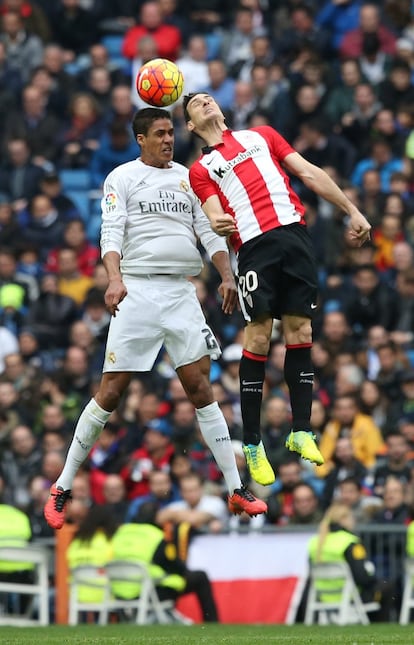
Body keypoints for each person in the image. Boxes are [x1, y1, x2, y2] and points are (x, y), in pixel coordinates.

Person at [44, 107, 267, 530]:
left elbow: (207, 231)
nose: (169, 139)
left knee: (200, 386)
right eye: (160, 134)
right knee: (110, 392)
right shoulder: (122, 178)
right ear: (141, 139)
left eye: (170, 133)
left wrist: (226, 274)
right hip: (137, 287)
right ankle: (62, 485)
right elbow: (111, 231)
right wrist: (113, 279)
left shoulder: (189, 177)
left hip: (181, 291)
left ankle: (236, 488)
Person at [182, 92, 371, 487]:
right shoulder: (202, 168)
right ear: (190, 126)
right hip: (254, 246)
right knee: (259, 335)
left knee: (301, 331)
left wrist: (351, 210)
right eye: (195, 104)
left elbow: (309, 172)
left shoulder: (261, 136)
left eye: (208, 98)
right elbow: (213, 210)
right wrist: (218, 223)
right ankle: (252, 442)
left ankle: (301, 430)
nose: (204, 102)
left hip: (295, 236)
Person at [307, 502, 395, 622]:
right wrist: (373, 579)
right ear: (343, 519)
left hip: (323, 596)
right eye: (351, 517)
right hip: (349, 596)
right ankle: (378, 627)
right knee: (386, 587)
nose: (354, 521)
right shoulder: (350, 542)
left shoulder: (314, 542)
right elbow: (361, 577)